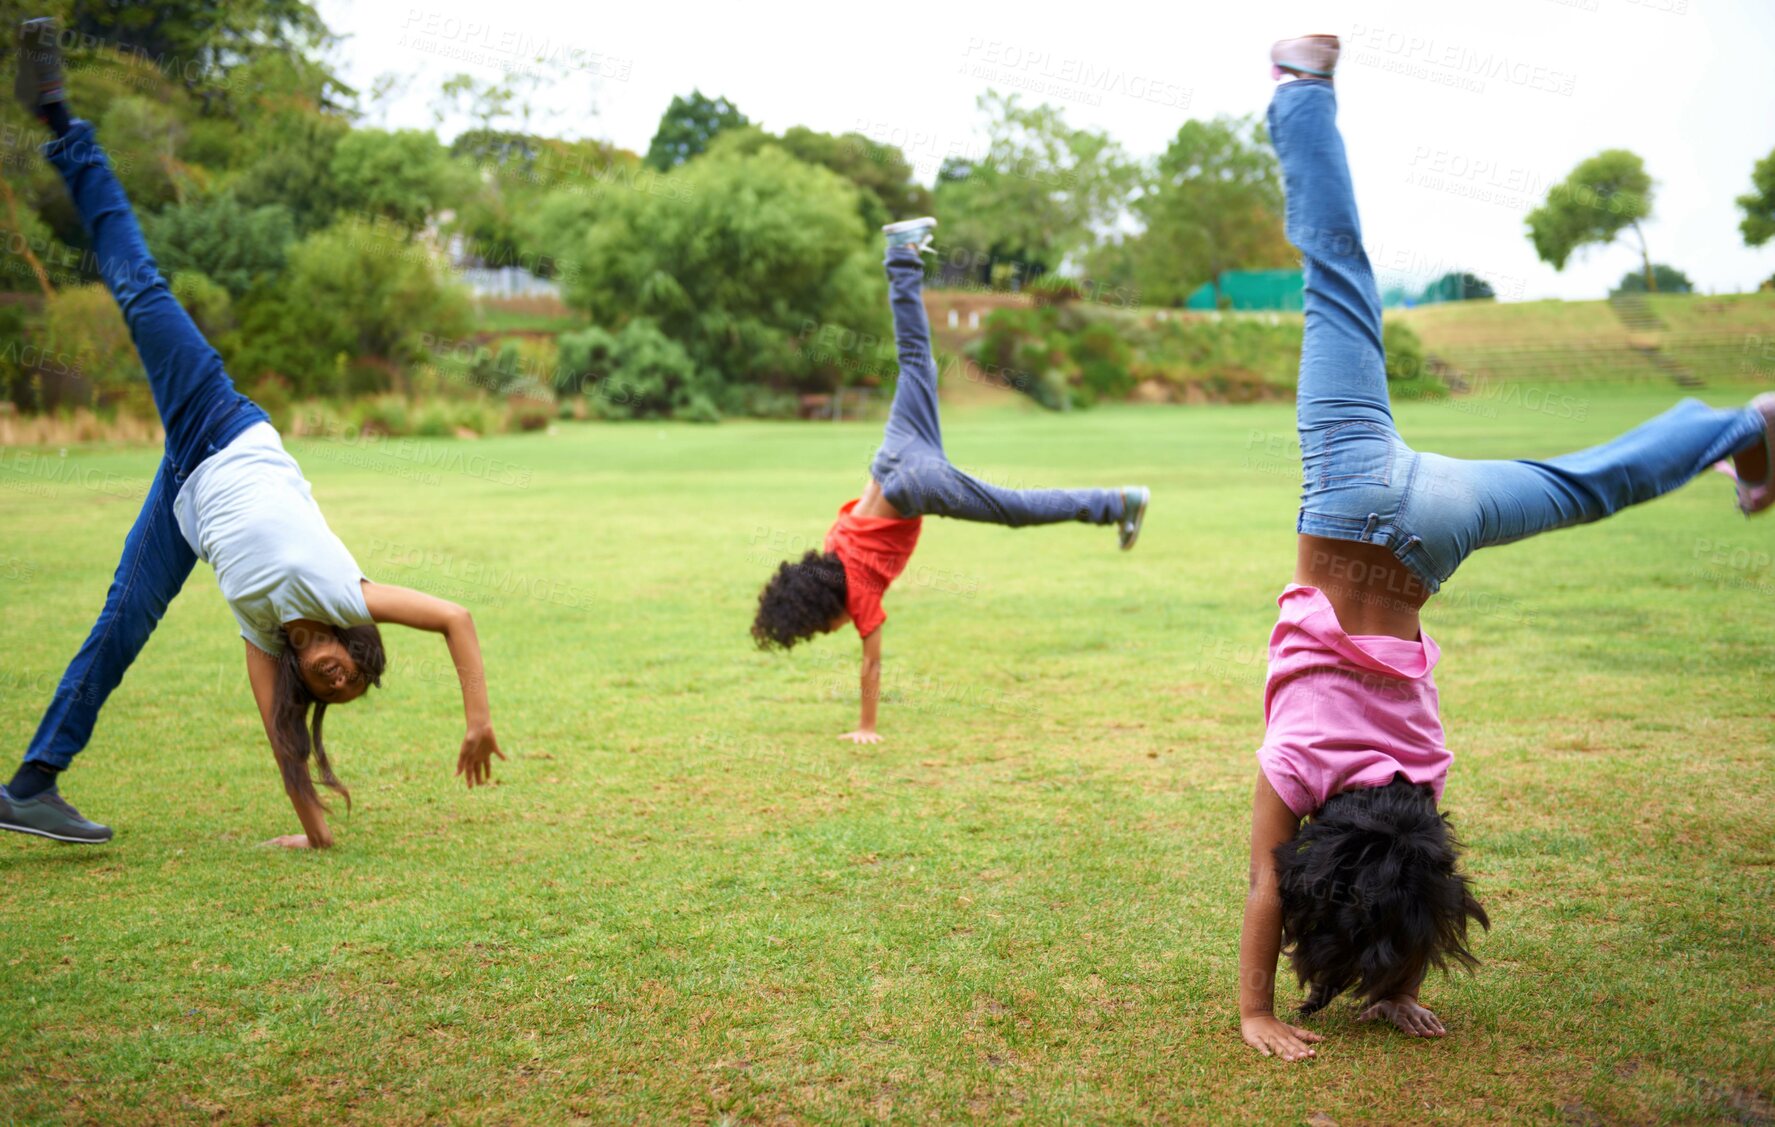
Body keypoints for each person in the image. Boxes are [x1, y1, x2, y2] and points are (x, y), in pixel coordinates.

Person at [1238, 34, 1775, 1061]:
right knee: (1337, 279)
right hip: (1348, 496)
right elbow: (1269, 877)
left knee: (1590, 485)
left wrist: (1388, 977)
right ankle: (1300, 87)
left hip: (1440, 525)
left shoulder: (1421, 778)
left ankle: (1747, 422)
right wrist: (1253, 1007)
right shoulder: (1298, 764)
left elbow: (1411, 868)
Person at [1, 19, 505, 848]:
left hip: (186, 497)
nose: (342, 678)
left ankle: (30, 784)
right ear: (349, 639)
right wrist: (477, 720)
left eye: (333, 691)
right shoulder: (344, 595)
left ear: (308, 685)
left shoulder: (262, 638)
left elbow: (282, 744)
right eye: (352, 668)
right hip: (221, 423)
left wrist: (314, 832)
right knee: (141, 290)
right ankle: (60, 119)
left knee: (118, 629)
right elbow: (455, 616)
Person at [751, 217, 1150, 743]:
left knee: (1015, 509)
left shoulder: (859, 596)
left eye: (816, 630)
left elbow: (872, 664)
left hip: (911, 483)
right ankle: (902, 253)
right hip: (891, 455)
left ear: (824, 614)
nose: (828, 632)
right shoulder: (830, 551)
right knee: (915, 358)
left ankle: (1117, 502)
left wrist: (866, 727)